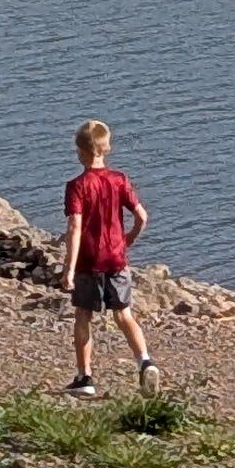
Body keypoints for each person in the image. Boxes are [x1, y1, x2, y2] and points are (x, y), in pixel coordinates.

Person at [58, 117, 158, 396]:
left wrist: (68, 267)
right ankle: (145, 361)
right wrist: (128, 240)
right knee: (124, 315)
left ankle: (84, 378)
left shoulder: (77, 186)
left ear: (80, 151)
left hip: (89, 261)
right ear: (107, 148)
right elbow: (141, 216)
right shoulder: (119, 180)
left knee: (83, 315)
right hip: (116, 258)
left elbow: (75, 226)